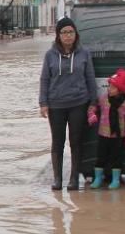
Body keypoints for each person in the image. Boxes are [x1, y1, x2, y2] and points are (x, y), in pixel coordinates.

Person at [39, 16, 97, 191]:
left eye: (71, 32)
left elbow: (90, 78)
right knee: (57, 142)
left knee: (76, 141)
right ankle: (57, 179)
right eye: (64, 32)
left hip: (78, 103)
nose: (68, 36)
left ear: (76, 34)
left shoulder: (84, 53)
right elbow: (44, 79)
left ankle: (74, 179)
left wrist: (93, 102)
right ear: (58, 35)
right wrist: (43, 102)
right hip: (56, 105)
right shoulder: (50, 55)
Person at [87, 68, 125, 189]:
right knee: (101, 157)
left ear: (120, 90)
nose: (109, 89)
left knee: (116, 158)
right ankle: (98, 178)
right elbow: (93, 106)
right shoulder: (104, 98)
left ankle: (115, 180)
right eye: (109, 86)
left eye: (112, 87)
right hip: (103, 134)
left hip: (119, 136)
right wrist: (91, 114)